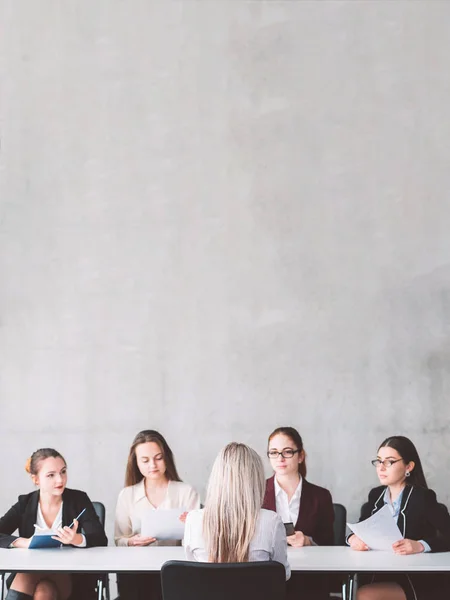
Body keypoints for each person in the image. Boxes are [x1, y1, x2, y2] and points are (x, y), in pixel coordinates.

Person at [349, 435, 450, 600]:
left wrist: (420, 545)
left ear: (408, 466)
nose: (381, 468)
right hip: (379, 572)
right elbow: (359, 527)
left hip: (415, 578)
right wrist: (353, 539)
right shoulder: (375, 495)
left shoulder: (423, 497)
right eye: (379, 461)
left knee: (365, 595)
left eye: (389, 462)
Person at [0, 448, 107, 600]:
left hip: (69, 575)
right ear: (35, 479)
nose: (60, 480)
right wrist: (23, 542)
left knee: (30, 574)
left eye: (63, 472)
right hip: (33, 574)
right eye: (51, 475)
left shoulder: (78, 499)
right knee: (43, 592)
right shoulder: (25, 503)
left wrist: (75, 539)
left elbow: (100, 538)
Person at [184, 442, 290, 580]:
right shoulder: (271, 521)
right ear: (255, 480)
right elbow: (283, 575)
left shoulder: (193, 520)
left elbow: (192, 573)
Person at [115, 429, 200, 600]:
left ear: (166, 457)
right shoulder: (127, 495)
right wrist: (131, 541)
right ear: (136, 463)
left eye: (158, 458)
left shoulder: (186, 492)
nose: (152, 465)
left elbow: (197, 541)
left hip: (175, 569)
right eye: (145, 460)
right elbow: (119, 539)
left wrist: (189, 526)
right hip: (137, 569)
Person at [263, 426, 334, 600]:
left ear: (300, 456)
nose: (280, 458)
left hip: (309, 577)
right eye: (274, 452)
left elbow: (331, 543)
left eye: (287, 452)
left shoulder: (321, 496)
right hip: (267, 575)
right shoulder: (256, 492)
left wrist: (309, 541)